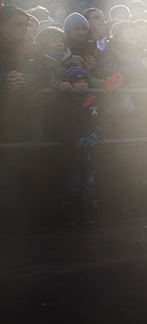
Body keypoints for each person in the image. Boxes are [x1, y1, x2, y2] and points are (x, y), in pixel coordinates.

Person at [52, 66, 103, 225]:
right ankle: (69, 215)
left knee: (89, 183)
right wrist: (76, 140)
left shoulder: (93, 101)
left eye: (84, 82)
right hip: (72, 150)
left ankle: (88, 215)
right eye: (77, 82)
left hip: (91, 150)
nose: (82, 85)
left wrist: (96, 135)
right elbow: (57, 127)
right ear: (70, 84)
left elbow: (102, 121)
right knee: (73, 184)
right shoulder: (63, 103)